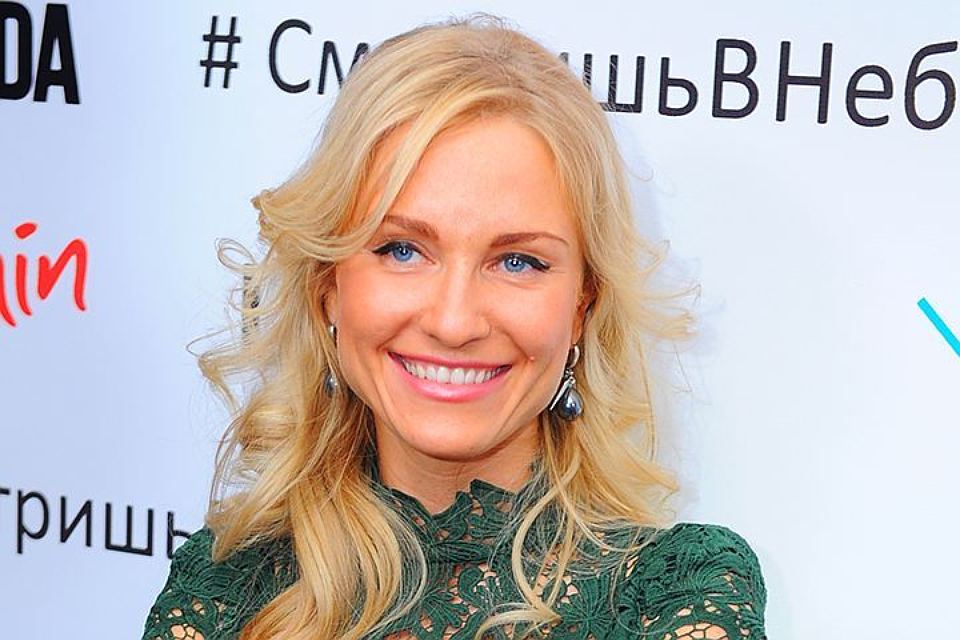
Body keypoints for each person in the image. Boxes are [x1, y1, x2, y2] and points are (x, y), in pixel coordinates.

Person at [141, 13, 767, 640]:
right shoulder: (223, 589)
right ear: (328, 287)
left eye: (517, 261)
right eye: (402, 250)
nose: (453, 321)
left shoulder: (677, 595)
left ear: (583, 305)